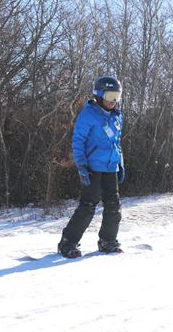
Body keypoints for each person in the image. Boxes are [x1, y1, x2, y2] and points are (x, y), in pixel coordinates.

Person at [58, 76, 126, 258]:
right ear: (99, 94)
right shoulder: (89, 115)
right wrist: (81, 165)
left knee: (114, 206)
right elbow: (78, 141)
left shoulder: (117, 116)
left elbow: (117, 142)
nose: (113, 101)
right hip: (93, 167)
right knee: (88, 205)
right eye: (110, 96)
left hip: (111, 167)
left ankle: (107, 241)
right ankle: (68, 242)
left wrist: (120, 163)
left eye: (116, 97)